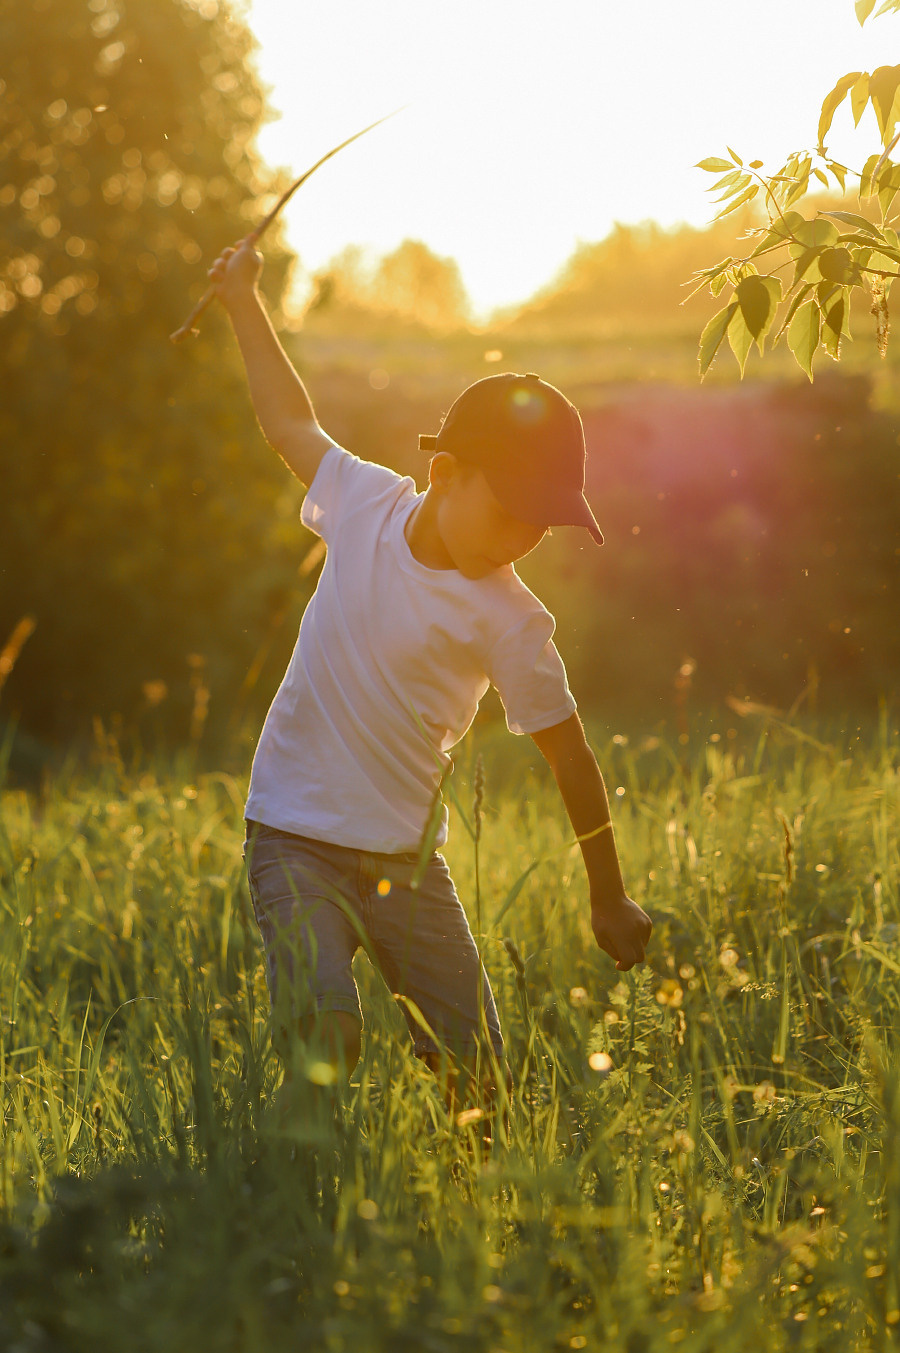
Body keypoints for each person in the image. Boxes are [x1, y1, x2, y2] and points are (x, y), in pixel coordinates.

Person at [208, 236, 652, 1144]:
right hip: (293, 834)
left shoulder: (512, 620)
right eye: (509, 511)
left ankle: (482, 1202)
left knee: (481, 1081)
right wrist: (242, 298)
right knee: (326, 1029)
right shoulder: (363, 502)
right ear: (444, 473)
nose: (521, 540)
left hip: (407, 867)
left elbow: (571, 755)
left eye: (541, 527)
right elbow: (288, 421)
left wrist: (608, 894)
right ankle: (288, 1188)